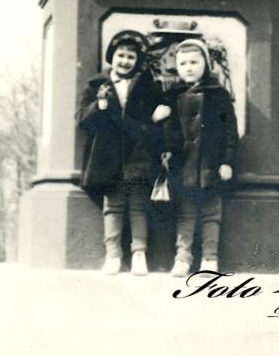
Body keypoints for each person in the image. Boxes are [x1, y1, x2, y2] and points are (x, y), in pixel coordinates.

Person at [76, 30, 170, 275]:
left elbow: (157, 120)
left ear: (137, 61)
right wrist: (99, 106)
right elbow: (82, 120)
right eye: (121, 55)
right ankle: (113, 254)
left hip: (138, 154)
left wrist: (155, 117)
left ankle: (139, 253)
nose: (125, 61)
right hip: (108, 156)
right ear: (112, 57)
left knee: (138, 205)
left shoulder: (148, 86)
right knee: (113, 206)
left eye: (131, 57)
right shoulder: (96, 85)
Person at [161, 38, 238, 277]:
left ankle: (210, 258)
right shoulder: (173, 95)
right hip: (184, 164)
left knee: (211, 213)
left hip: (210, 163)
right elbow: (169, 130)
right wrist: (167, 150)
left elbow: (230, 131)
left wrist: (227, 161)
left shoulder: (218, 94)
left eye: (194, 62)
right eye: (183, 63)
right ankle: (183, 257)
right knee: (185, 212)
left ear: (205, 63)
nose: (189, 68)